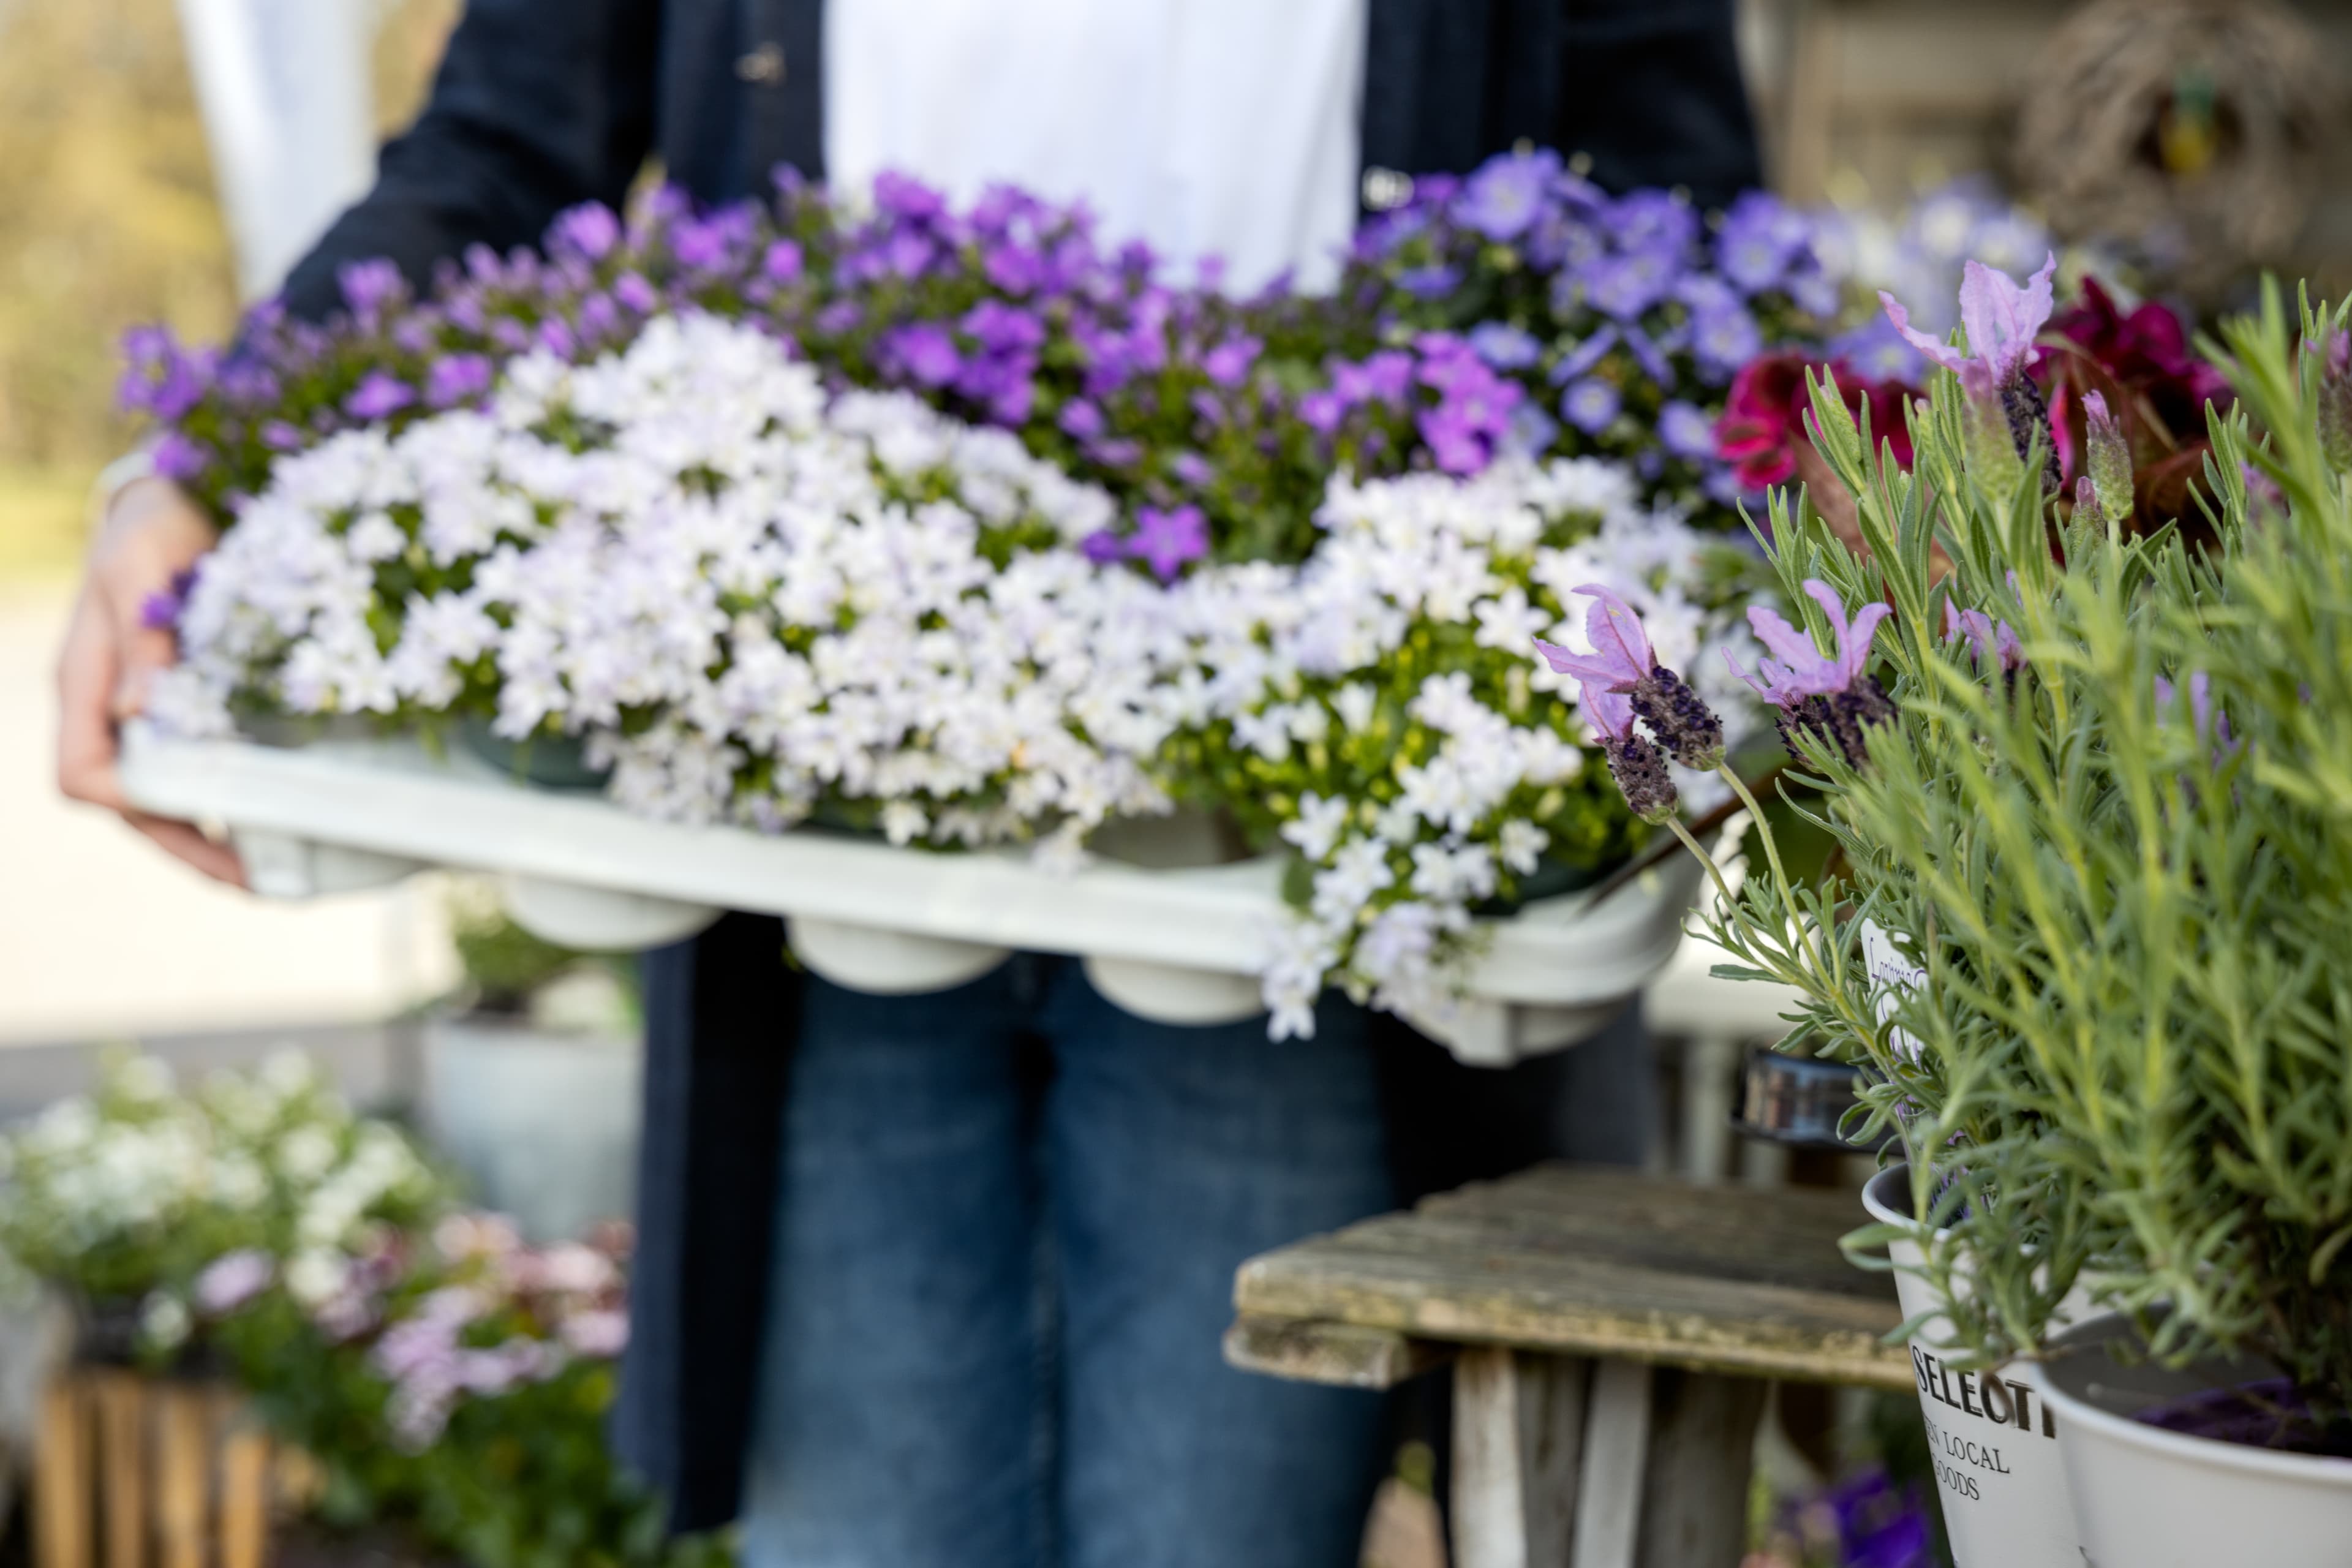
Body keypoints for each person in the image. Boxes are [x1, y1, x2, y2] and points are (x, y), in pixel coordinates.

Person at [56, 4, 1760, 1564]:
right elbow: (503, 148)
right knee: (867, 1524)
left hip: (1269, 846)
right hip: (824, 828)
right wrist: (200, 467)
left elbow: (1673, 227)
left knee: (1218, 1522)